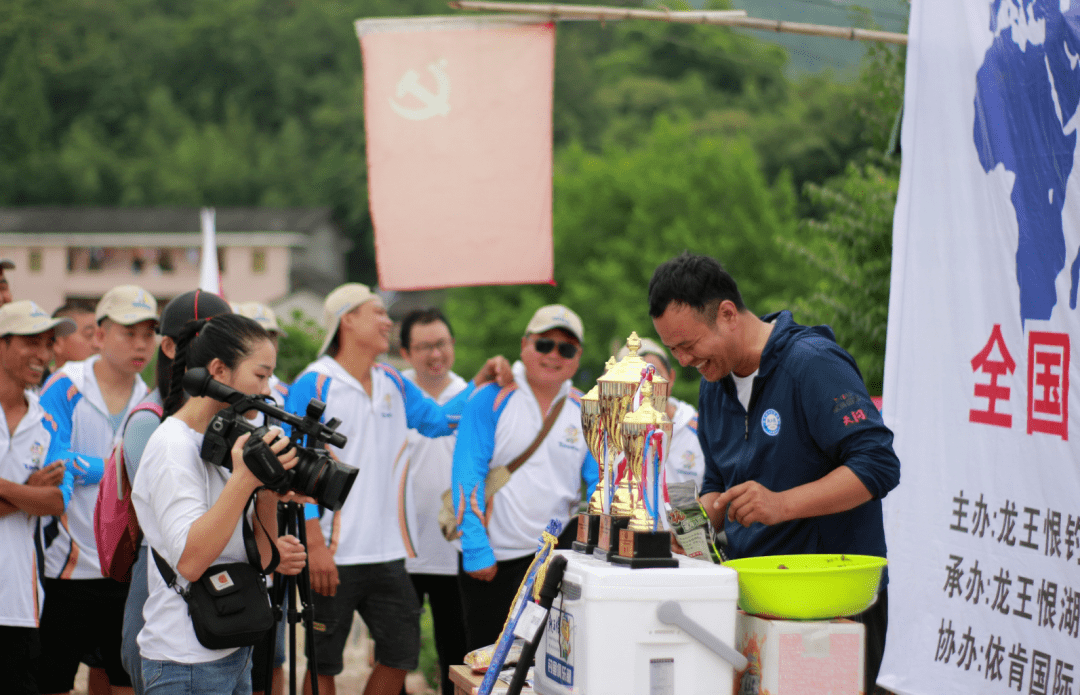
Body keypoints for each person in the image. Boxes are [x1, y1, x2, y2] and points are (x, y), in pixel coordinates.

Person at [647, 252, 901, 693]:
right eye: (673, 350)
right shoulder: (714, 387)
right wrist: (701, 517)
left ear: (727, 314)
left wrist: (782, 504)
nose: (685, 361)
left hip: (829, 603)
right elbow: (717, 483)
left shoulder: (812, 363)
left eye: (689, 345)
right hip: (755, 600)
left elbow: (878, 464)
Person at [284, 283, 509, 695]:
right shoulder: (313, 384)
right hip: (332, 552)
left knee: (400, 655)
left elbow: (439, 420)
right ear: (347, 319)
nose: (389, 321)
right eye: (378, 313)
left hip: (389, 553)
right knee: (323, 663)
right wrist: (313, 543)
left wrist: (478, 384)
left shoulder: (391, 379)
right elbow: (294, 468)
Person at [131, 312, 308, 695]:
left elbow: (261, 560)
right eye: (260, 375)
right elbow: (192, 561)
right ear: (218, 370)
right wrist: (245, 479)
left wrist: (266, 493)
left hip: (232, 650)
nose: (268, 388)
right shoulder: (172, 446)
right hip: (184, 664)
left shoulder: (227, 443)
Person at [36, 284, 160, 695]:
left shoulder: (152, 398)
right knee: (53, 681)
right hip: (65, 568)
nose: (141, 344)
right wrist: (116, 468)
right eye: (129, 332)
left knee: (125, 680)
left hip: (124, 566)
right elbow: (55, 464)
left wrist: (94, 468)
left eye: (148, 334)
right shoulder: (65, 384)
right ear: (101, 335)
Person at [452, 304, 598, 651]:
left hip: (556, 562)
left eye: (566, 348)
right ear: (524, 345)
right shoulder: (490, 396)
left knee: (548, 667)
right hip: (494, 560)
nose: (553, 355)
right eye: (544, 344)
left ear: (577, 357)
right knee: (485, 665)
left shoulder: (586, 409)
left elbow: (598, 485)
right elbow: (466, 474)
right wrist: (475, 548)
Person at [119, 289, 233, 695]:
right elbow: (176, 537)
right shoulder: (150, 426)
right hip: (163, 573)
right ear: (168, 346)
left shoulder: (227, 417)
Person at [0, 301, 72, 695]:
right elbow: (40, 498)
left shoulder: (45, 423)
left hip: (20, 604)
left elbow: (58, 501)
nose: (43, 355)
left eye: (48, 344)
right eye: (32, 342)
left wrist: (8, 486)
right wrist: (30, 489)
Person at [396, 307, 468, 695]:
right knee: (393, 654)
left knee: (457, 651)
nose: (434, 354)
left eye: (441, 344)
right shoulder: (393, 395)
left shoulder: (472, 395)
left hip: (453, 545)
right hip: (399, 546)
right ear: (406, 353)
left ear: (452, 345)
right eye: (423, 347)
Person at [616, 336, 705, 491]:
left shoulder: (702, 430)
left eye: (653, 374)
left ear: (671, 378)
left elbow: (718, 492)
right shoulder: (610, 433)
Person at [52, 300, 99, 370]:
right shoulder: (44, 380)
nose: (97, 344)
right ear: (58, 343)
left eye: (100, 336)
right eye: (90, 334)